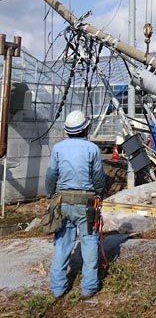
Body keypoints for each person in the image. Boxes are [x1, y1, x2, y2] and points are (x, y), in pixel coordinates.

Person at [45, 110, 106, 300]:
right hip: (86, 204)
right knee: (88, 242)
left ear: (67, 130)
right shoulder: (92, 149)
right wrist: (100, 193)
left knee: (62, 243)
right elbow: (98, 177)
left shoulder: (57, 149)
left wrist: (50, 196)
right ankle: (88, 287)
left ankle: (58, 288)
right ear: (86, 128)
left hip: (62, 202)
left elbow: (51, 175)